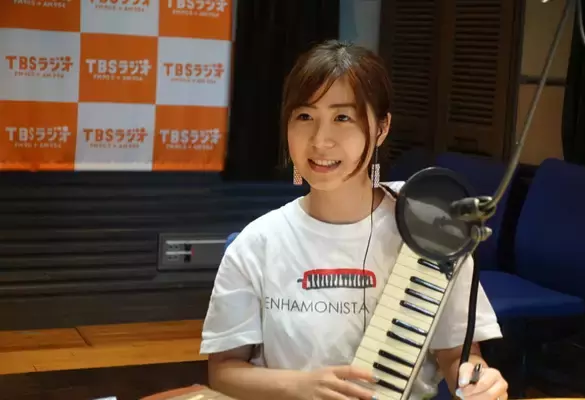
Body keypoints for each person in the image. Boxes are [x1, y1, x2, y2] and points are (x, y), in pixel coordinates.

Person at [200, 40, 508, 400]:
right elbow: (223, 371)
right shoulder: (257, 244)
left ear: (381, 128)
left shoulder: (431, 227)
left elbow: (458, 355)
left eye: (342, 118)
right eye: (305, 117)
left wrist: (478, 380)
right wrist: (300, 386)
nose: (320, 140)